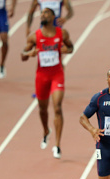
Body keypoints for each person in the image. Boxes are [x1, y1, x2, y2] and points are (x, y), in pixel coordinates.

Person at [21, 7, 73, 159]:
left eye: (46, 13)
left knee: (57, 107)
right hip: (41, 76)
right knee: (43, 109)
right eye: (41, 13)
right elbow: (22, 55)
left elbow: (71, 47)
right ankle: (46, 131)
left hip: (57, 75)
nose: (42, 15)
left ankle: (57, 145)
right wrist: (29, 54)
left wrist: (66, 50)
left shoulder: (61, 33)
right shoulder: (34, 36)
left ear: (53, 17)